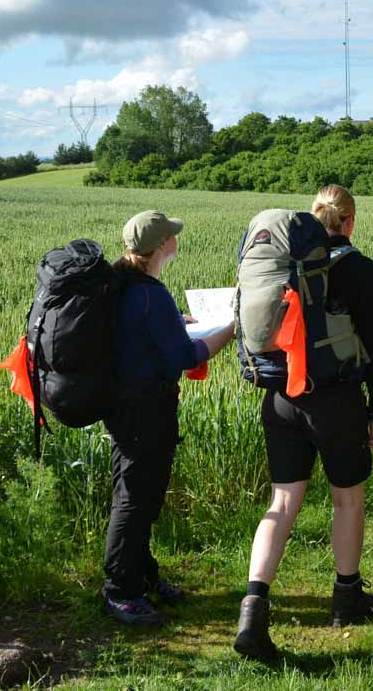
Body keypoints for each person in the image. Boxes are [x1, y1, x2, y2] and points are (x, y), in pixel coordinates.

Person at [234, 186, 373, 660]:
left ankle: (252, 610)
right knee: (347, 499)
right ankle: (347, 598)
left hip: (280, 397)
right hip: (334, 399)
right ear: (348, 221)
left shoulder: (285, 266)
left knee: (281, 502)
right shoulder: (359, 269)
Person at [103, 210, 235, 626]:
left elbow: (137, 334)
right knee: (136, 499)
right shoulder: (150, 294)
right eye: (171, 236)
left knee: (135, 492)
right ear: (161, 246)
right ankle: (121, 592)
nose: (176, 240)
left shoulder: (124, 284)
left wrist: (176, 322)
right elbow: (184, 356)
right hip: (147, 410)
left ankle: (142, 576)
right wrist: (229, 330)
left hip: (124, 406)